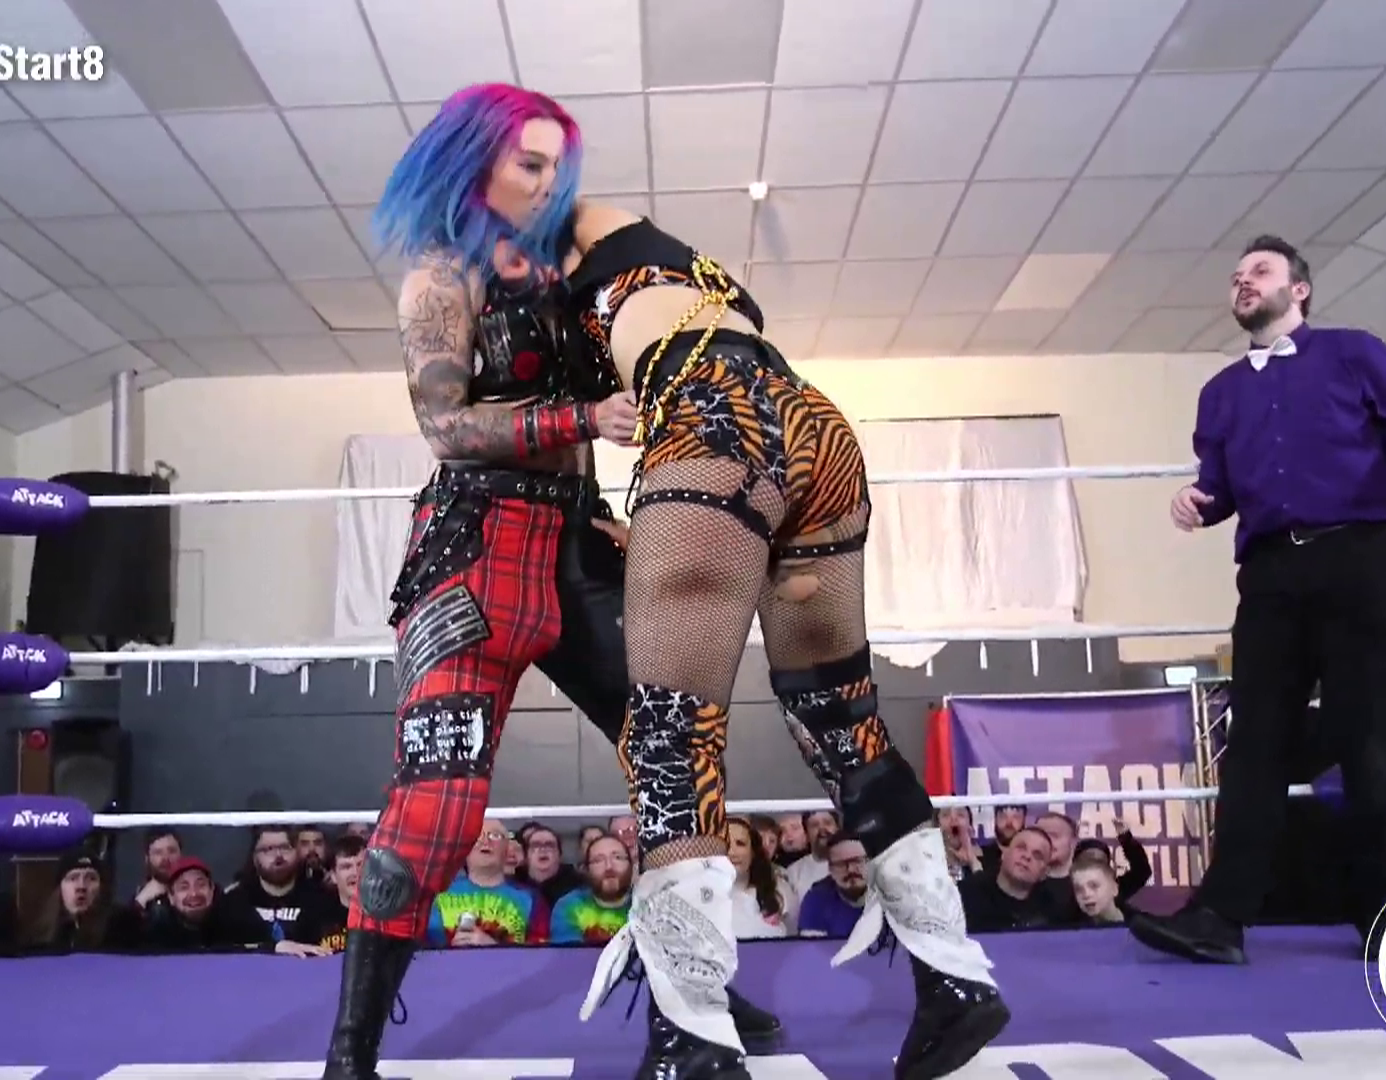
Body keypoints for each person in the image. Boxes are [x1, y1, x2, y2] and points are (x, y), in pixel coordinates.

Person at [324, 83, 780, 1080]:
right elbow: (447, 428)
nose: (548, 183)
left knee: (676, 754)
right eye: (529, 162)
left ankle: (693, 986)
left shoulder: (572, 272)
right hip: (475, 556)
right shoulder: (440, 276)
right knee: (436, 811)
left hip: (575, 551)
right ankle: (350, 1048)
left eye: (556, 165)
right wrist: (582, 420)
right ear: (476, 160)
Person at [562, 202, 1008, 1078]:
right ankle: (955, 974)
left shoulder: (562, 238)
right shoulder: (674, 262)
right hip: (810, 422)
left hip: (710, 420)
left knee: (670, 738)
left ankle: (692, 1034)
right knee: (841, 717)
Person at [1134, 234, 1386, 966]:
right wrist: (1195, 500)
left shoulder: (1354, 353)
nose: (1243, 282)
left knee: (1368, 743)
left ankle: (1385, 921)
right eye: (1236, 276)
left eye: (1260, 271)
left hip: (1359, 560)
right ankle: (1220, 918)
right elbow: (1219, 487)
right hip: (1271, 575)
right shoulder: (1221, 392)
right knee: (1253, 743)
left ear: (1299, 289)